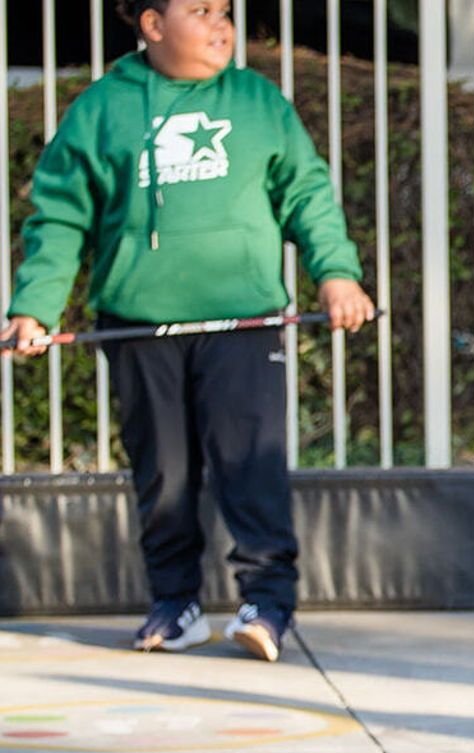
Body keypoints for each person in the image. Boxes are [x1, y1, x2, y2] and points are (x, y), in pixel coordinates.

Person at [1, 0, 376, 661]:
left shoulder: (258, 103)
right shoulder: (102, 109)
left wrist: (337, 274)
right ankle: (175, 603)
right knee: (164, 474)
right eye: (200, 11)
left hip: (244, 321)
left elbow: (307, 195)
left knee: (249, 464)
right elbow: (60, 216)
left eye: (225, 11)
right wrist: (35, 305)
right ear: (151, 25)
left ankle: (267, 601)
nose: (221, 25)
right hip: (140, 327)